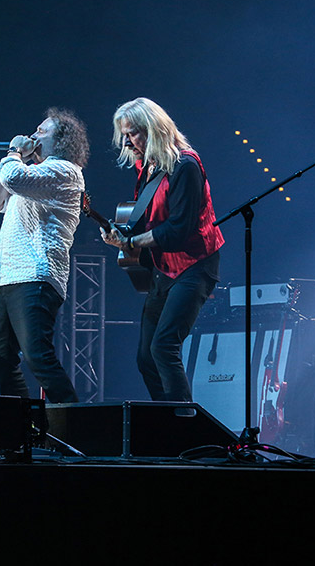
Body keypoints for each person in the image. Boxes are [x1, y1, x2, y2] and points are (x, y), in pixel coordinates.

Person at [102, 97, 224, 402]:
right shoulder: (147, 168)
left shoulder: (185, 165)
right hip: (163, 268)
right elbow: (149, 220)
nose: (127, 143)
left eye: (132, 134)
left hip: (195, 264)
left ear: (154, 130)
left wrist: (132, 243)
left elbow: (178, 231)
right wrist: (124, 236)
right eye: (124, 136)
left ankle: (183, 428)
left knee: (164, 346)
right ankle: (164, 421)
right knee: (146, 357)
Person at [0, 108, 89, 403]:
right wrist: (16, 157)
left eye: (42, 131)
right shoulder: (33, 176)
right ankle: (25, 427)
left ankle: (74, 432)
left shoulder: (64, 171)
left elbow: (13, 178)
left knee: (38, 357)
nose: (33, 135)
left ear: (62, 141)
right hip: (11, 277)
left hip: (36, 275)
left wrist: (15, 153)